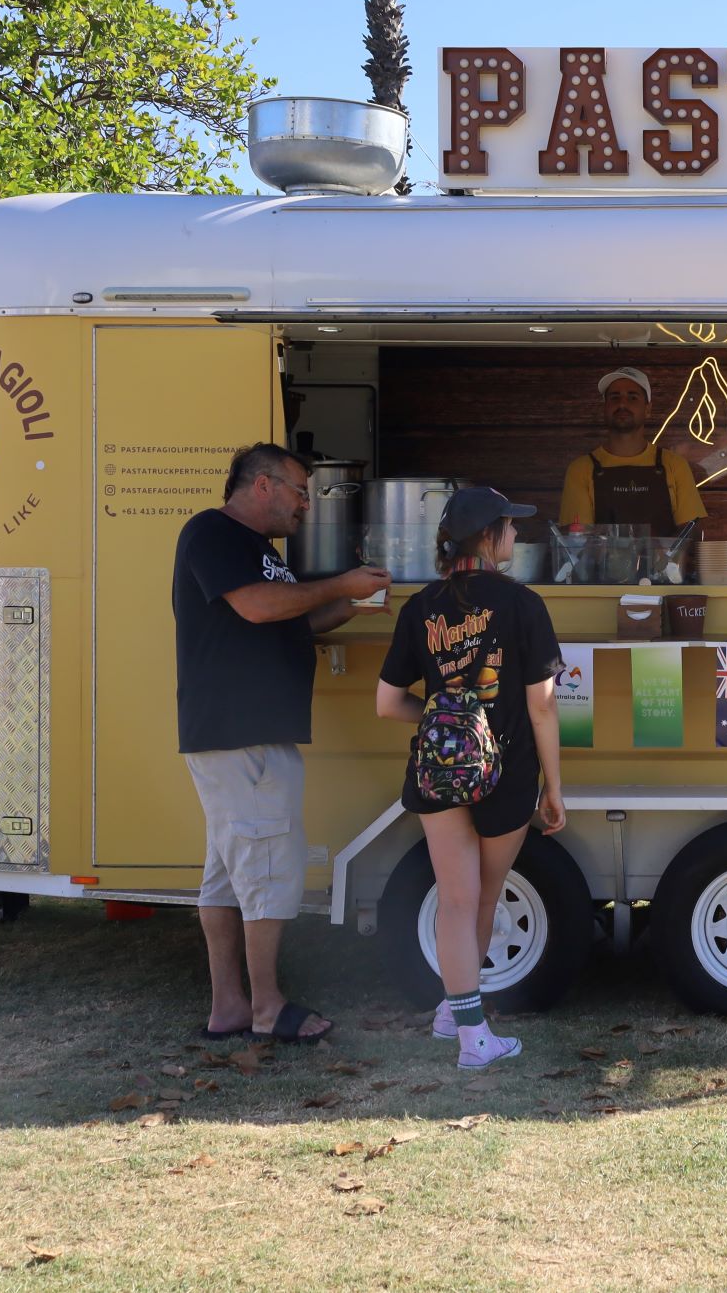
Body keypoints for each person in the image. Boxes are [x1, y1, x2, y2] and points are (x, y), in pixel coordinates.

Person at [172, 443, 390, 1044]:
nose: (305, 504)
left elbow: (293, 617)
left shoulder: (261, 552)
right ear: (262, 485)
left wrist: (348, 602)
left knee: (225, 876)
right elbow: (261, 607)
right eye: (300, 490)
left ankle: (229, 1007)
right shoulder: (212, 533)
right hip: (244, 734)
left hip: (241, 735)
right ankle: (267, 1007)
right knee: (268, 869)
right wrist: (337, 582)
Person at [375, 487, 567, 1070]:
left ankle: (454, 1012)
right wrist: (554, 788)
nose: (516, 537)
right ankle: (472, 1037)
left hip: (438, 767)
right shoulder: (523, 604)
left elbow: (387, 703)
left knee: (454, 901)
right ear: (490, 538)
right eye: (512, 527)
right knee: (482, 898)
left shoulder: (420, 606)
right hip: (505, 771)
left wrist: (437, 715)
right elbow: (542, 706)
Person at [556, 367, 708, 533]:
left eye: (632, 397)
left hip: (665, 560)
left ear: (648, 409)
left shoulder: (674, 465)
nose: (622, 404)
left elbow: (689, 533)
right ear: (605, 408)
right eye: (615, 397)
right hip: (602, 561)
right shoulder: (581, 469)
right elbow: (578, 541)